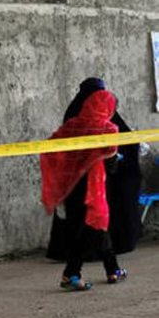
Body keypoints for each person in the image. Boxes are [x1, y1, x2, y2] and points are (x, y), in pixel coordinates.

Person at [40, 89, 127, 291]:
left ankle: (112, 269)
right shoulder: (108, 129)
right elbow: (112, 164)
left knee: (90, 227)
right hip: (92, 186)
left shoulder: (72, 125)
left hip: (71, 186)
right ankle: (72, 273)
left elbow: (52, 146)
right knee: (93, 226)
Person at [46, 78, 142, 260]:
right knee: (92, 218)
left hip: (87, 177)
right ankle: (102, 265)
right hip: (91, 178)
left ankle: (88, 265)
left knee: (90, 218)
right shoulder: (84, 115)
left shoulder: (87, 113)